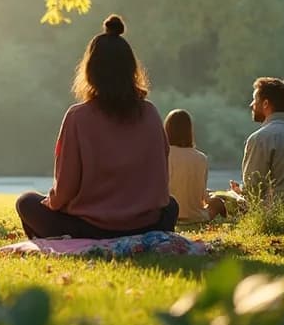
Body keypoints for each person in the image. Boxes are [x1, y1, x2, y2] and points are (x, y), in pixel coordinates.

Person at [15, 15, 179, 239]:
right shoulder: (149, 113)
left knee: (27, 202)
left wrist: (51, 202)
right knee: (172, 206)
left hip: (91, 229)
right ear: (131, 70)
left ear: (91, 71)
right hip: (146, 225)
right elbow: (161, 179)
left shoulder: (77, 117)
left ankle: (62, 241)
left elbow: (66, 187)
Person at [228, 77, 284, 210]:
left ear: (265, 104)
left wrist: (238, 194)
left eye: (254, 100)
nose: (251, 105)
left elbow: (253, 191)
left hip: (278, 215)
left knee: (219, 200)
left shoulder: (260, 138)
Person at [164, 109, 211, 224]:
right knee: (217, 202)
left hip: (170, 216)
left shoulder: (163, 155)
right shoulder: (202, 158)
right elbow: (202, 195)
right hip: (197, 217)